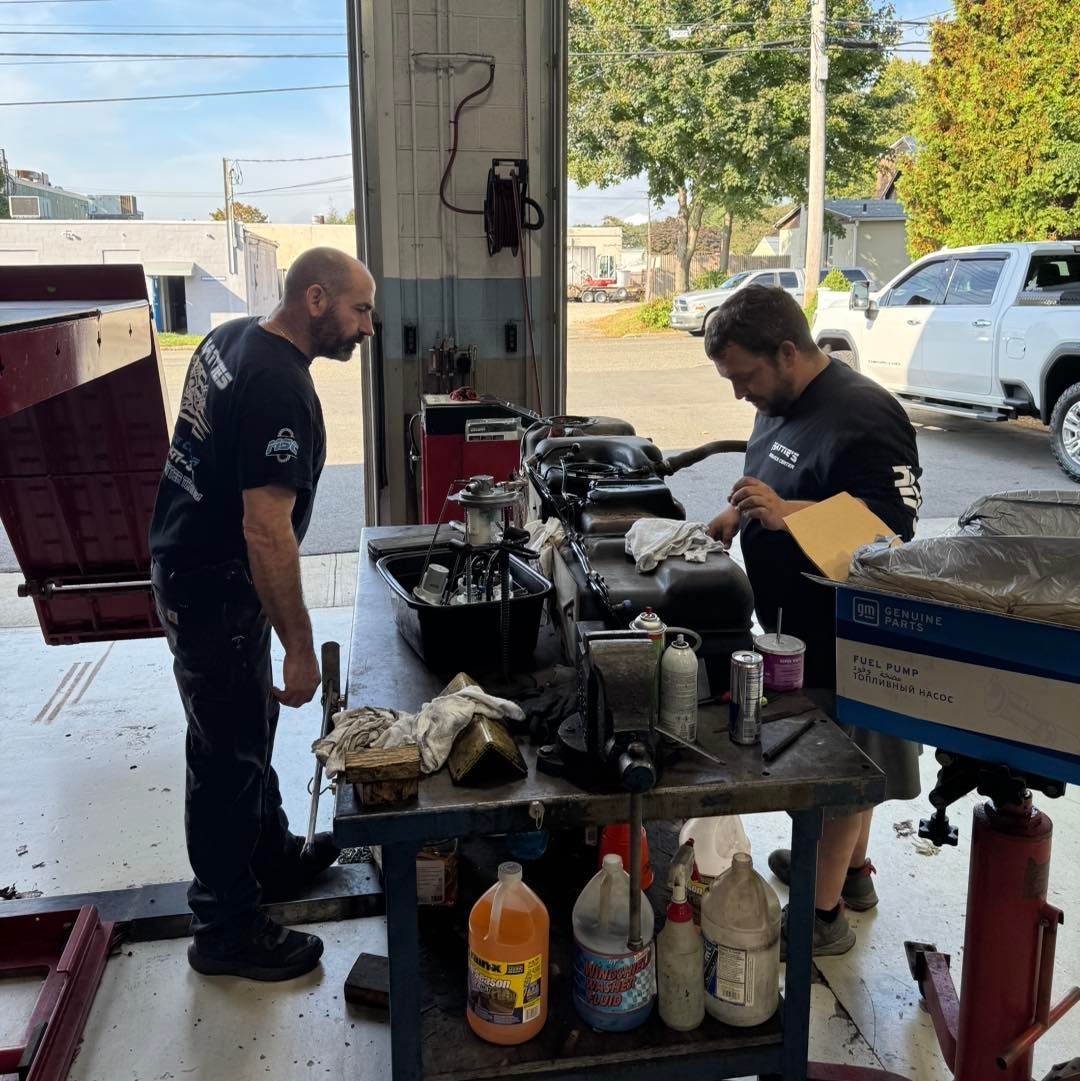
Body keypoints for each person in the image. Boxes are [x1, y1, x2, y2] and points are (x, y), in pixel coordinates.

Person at [149, 248, 376, 980]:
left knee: (248, 730)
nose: (367, 327)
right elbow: (265, 530)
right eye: (359, 310)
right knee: (225, 756)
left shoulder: (233, 337)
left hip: (194, 562)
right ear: (316, 299)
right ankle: (225, 924)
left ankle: (270, 857)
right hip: (214, 583)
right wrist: (300, 646)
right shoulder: (279, 385)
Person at [705, 285, 922, 957]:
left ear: (789, 351)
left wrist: (787, 514)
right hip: (792, 624)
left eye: (746, 378)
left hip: (847, 634)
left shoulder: (866, 415)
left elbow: (894, 537)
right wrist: (736, 514)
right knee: (828, 757)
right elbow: (775, 482)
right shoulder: (781, 403)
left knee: (844, 770)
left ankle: (821, 916)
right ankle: (850, 876)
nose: (742, 395)